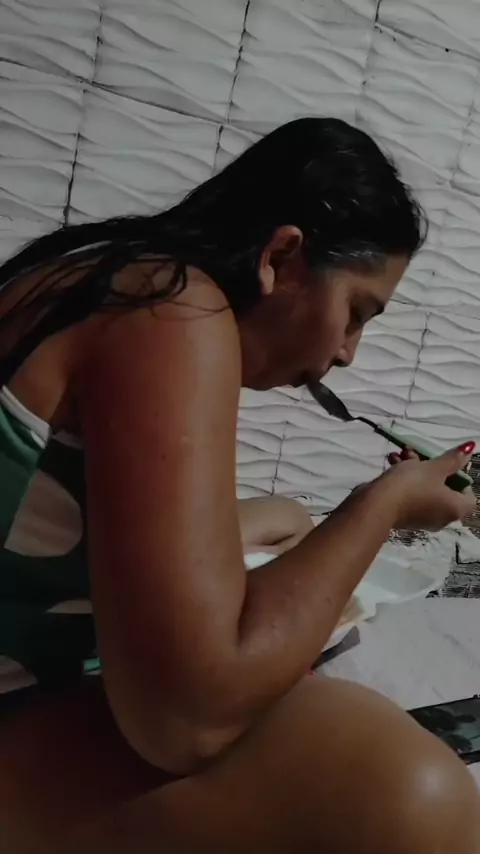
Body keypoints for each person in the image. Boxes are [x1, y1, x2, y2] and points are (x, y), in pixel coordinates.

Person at [0, 117, 478, 854]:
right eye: (356, 313)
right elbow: (184, 721)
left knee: (284, 519)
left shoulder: (112, 278)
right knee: (416, 798)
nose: (348, 354)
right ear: (282, 257)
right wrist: (383, 504)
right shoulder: (172, 309)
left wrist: (287, 524)